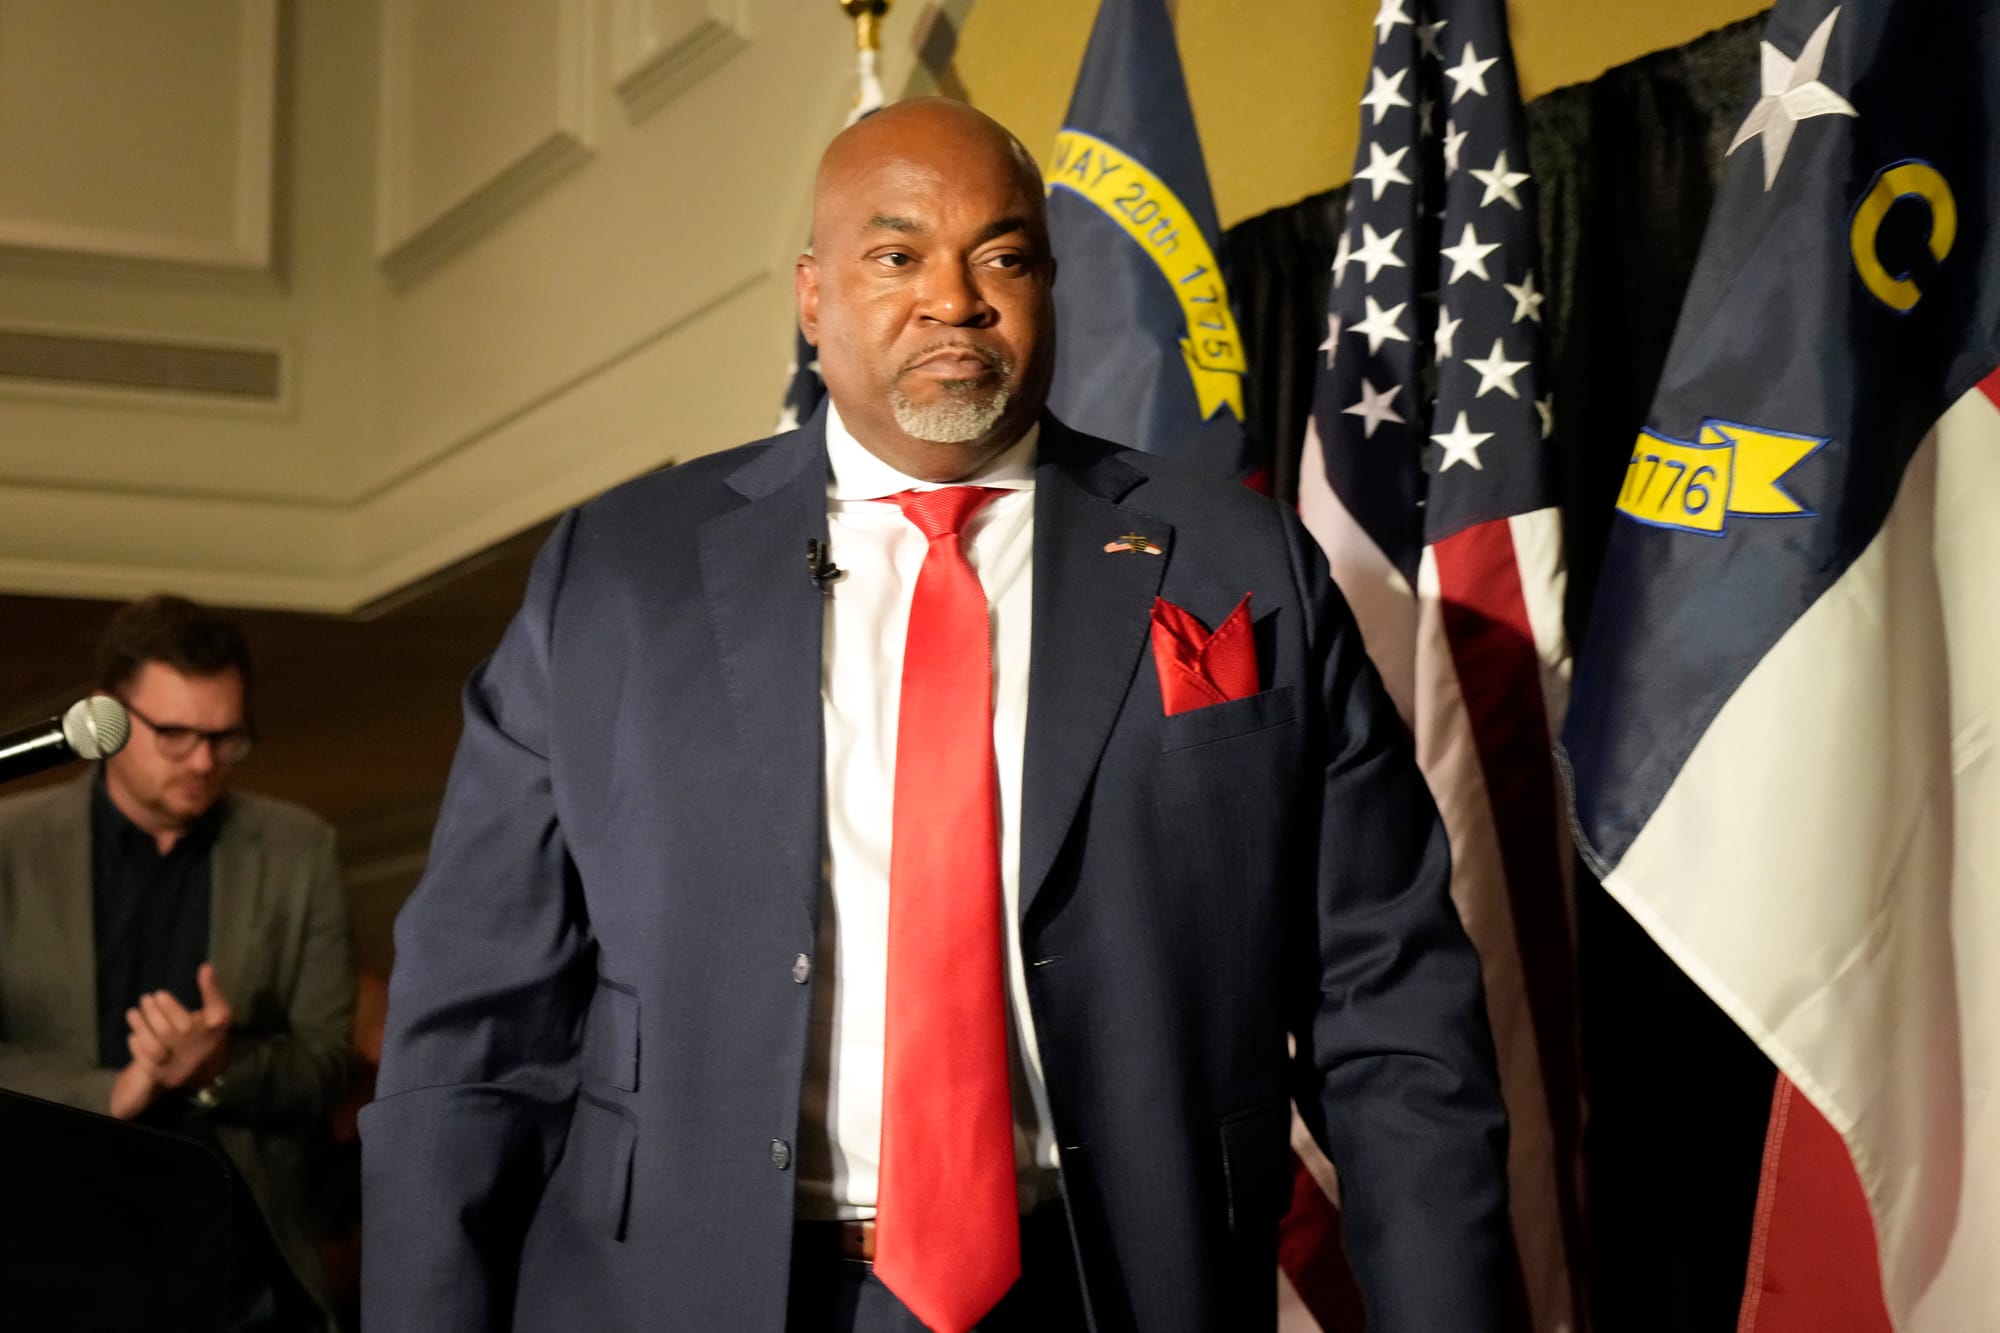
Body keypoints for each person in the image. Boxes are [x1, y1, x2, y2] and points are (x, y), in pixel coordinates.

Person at [361, 99, 1510, 1332]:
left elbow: (1388, 1010)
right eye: (896, 255)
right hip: (697, 1290)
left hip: (1110, 1282)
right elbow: (476, 1031)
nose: (953, 301)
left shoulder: (1239, 564)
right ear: (813, 299)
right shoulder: (614, 576)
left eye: (1002, 257)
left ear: (1049, 286)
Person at [0, 594, 355, 1332]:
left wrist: (215, 1067)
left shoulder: (299, 848)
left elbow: (325, 1064)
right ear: (108, 717)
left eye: (226, 737)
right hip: (42, 1243)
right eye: (176, 735)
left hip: (239, 1265)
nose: (203, 761)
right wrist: (115, 1090)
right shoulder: (10, 843)